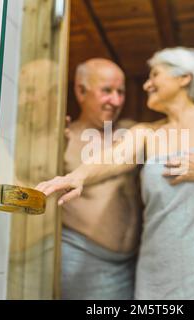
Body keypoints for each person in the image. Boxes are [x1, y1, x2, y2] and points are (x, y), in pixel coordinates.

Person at [37, 48, 194, 299]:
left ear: (184, 78)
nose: (147, 84)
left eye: (155, 75)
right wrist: (77, 177)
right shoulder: (147, 132)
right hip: (159, 268)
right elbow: (114, 158)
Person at [59, 58, 141, 299]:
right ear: (81, 91)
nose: (115, 101)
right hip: (83, 260)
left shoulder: (129, 133)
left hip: (132, 263)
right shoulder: (64, 139)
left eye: (121, 92)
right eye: (107, 91)